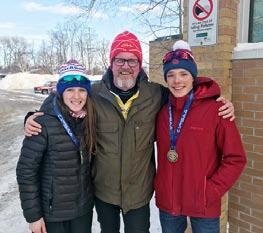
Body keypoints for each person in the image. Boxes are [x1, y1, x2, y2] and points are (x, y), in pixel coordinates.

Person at [24, 31, 235, 233]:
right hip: (104, 191)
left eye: (132, 60)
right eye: (120, 60)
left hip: (138, 193)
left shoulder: (155, 95)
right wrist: (34, 116)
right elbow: (64, 100)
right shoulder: (95, 94)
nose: (126, 66)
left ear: (139, 64)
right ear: (111, 63)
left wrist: (215, 100)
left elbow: (185, 95)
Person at [154, 40, 247, 233]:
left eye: (183, 74)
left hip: (203, 204)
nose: (177, 80)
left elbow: (236, 158)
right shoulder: (162, 111)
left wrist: (211, 190)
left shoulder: (217, 110)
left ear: (193, 76)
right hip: (169, 205)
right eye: (170, 75)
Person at [16, 60, 97, 233]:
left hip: (82, 211)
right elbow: (25, 170)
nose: (77, 96)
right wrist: (34, 216)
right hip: (53, 214)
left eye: (82, 90)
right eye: (70, 90)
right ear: (60, 92)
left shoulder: (88, 119)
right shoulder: (42, 122)